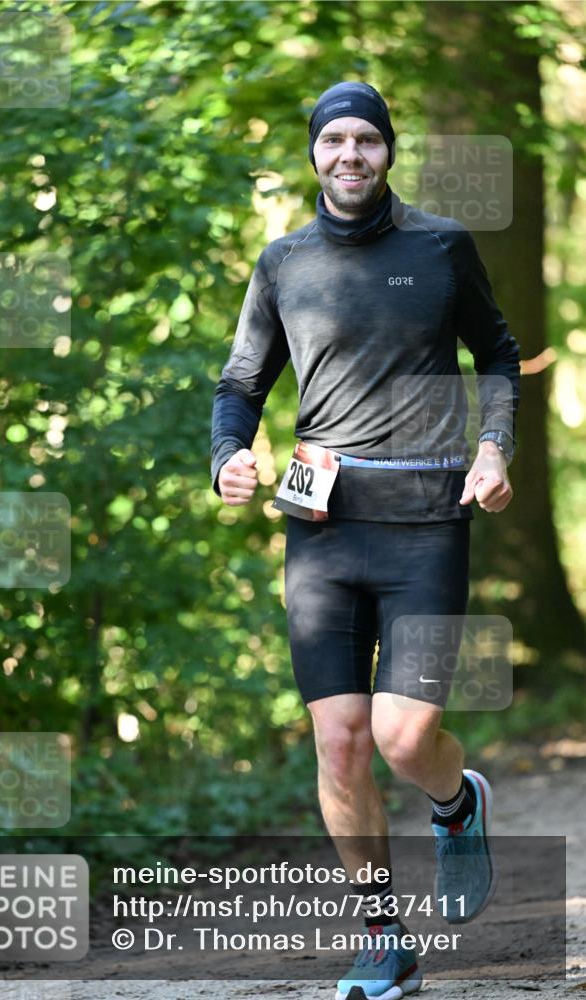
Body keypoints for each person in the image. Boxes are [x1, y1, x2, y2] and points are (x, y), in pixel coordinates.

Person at [210, 81, 520, 1000]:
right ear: (314, 154)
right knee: (339, 744)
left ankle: (455, 803)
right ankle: (384, 939)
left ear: (388, 153)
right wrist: (228, 453)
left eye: (367, 142)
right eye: (333, 141)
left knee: (400, 735)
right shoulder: (281, 264)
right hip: (321, 528)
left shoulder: (440, 247)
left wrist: (492, 447)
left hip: (426, 523)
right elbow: (240, 383)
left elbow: (497, 353)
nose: (350, 156)